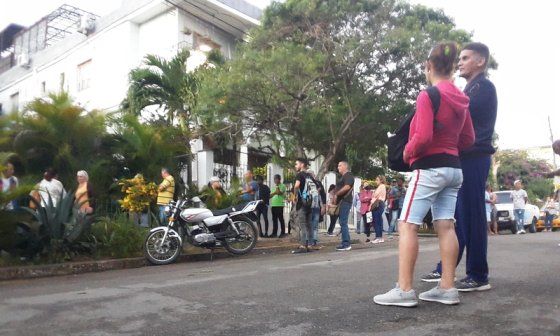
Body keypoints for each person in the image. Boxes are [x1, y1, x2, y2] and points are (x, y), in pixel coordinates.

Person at [374, 42, 475, 307]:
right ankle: (447, 287)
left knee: (407, 224)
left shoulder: (428, 95)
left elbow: (423, 136)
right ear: (452, 67)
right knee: (446, 225)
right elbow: (469, 138)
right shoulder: (462, 99)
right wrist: (449, 148)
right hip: (454, 168)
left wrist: (408, 152)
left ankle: (405, 290)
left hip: (429, 168)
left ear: (428, 66)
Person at [422, 42, 498, 292]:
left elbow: (457, 118)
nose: (460, 62)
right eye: (460, 58)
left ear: (481, 61)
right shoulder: (470, 88)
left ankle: (478, 274)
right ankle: (447, 268)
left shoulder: (483, 88)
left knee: (472, 216)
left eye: (466, 58)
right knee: (460, 217)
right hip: (463, 158)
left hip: (475, 157)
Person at [291, 158, 314, 254]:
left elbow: (296, 186)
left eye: (296, 164)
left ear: (302, 164)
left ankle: (303, 245)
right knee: (309, 225)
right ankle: (310, 245)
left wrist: (295, 195)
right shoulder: (310, 175)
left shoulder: (300, 175)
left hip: (302, 203)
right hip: (310, 203)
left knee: (302, 225)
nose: (295, 166)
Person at [333, 161, 355, 251]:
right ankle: (345, 242)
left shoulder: (348, 175)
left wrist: (336, 194)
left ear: (345, 166)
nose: (338, 167)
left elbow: (347, 187)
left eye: (340, 165)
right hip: (342, 202)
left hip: (345, 201)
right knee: (342, 223)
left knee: (343, 223)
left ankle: (346, 244)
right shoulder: (344, 176)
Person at [307, 169, 326, 249]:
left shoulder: (317, 183)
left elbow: (321, 196)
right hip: (310, 207)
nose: (312, 176)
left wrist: (323, 206)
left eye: (312, 174)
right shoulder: (307, 183)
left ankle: (313, 241)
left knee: (314, 226)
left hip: (316, 207)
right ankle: (310, 241)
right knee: (311, 225)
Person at [370, 175, 387, 244]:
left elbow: (375, 195)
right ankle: (380, 237)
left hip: (378, 203)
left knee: (376, 221)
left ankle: (378, 237)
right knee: (379, 221)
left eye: (377, 180)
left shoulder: (381, 186)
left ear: (381, 180)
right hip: (380, 203)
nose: (376, 181)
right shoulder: (383, 186)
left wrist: (373, 193)